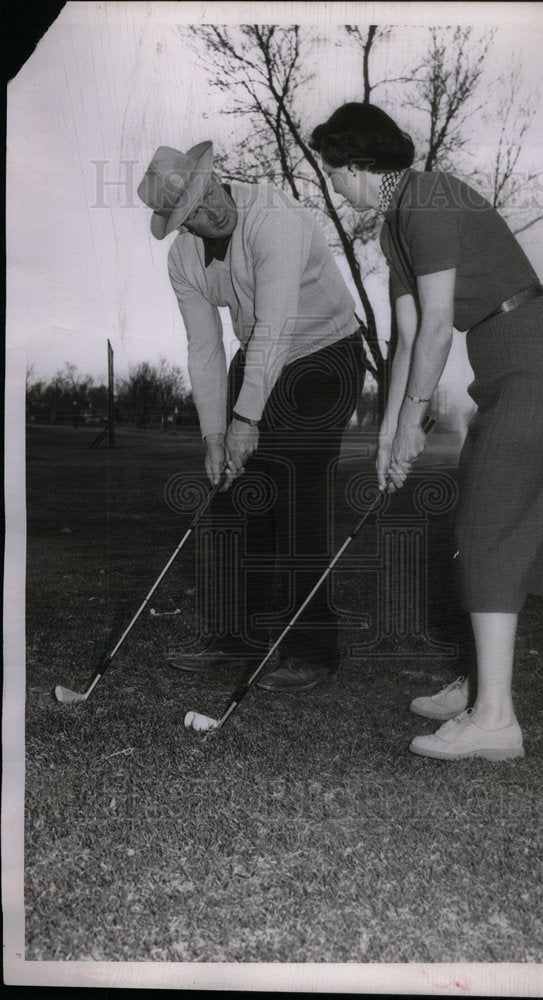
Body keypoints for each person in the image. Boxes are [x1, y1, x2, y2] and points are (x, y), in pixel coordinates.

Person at [310, 104, 543, 760]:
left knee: (486, 531)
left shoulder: (427, 198)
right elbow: (407, 335)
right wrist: (387, 438)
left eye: (332, 172)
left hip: (535, 363)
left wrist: (414, 420)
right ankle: (476, 688)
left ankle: (495, 721)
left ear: (358, 166)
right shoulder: (393, 228)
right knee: (483, 524)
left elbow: (438, 325)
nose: (331, 186)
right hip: (506, 369)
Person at [137, 141, 365, 691]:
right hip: (259, 355)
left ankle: (314, 649)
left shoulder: (275, 217)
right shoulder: (183, 260)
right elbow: (205, 349)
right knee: (237, 498)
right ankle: (244, 636)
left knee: (294, 489)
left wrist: (246, 420)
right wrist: (216, 434)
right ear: (180, 224)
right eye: (192, 209)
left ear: (216, 178)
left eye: (207, 192)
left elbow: (277, 324)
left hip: (324, 353)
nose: (209, 209)